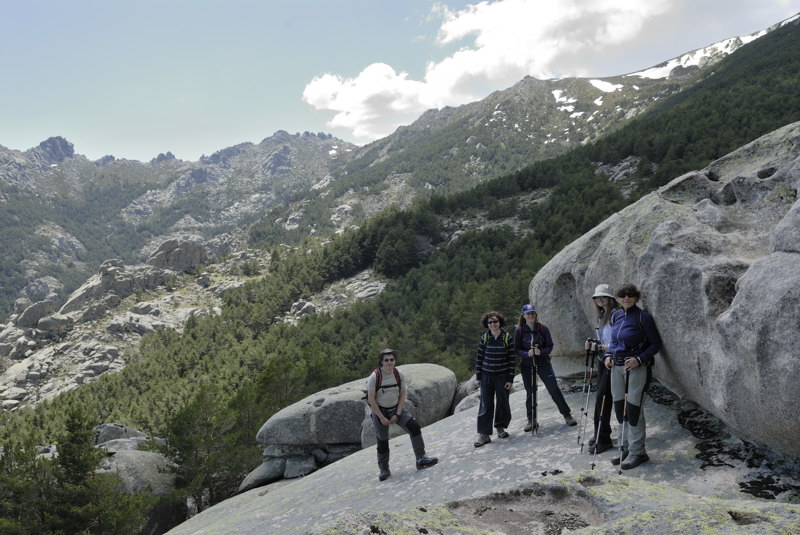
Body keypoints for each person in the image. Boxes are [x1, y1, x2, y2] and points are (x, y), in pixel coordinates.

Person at [603, 283, 662, 470]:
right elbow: (613, 342)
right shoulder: (616, 315)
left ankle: (638, 452)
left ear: (636, 297)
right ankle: (624, 448)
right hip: (617, 367)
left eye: (630, 295)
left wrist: (639, 359)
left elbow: (655, 344)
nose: (626, 298)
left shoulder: (643, 318)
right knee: (620, 408)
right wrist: (608, 356)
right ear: (618, 298)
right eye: (622, 295)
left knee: (634, 409)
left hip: (636, 367)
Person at [366, 348, 438, 481]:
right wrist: (382, 418)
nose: (389, 362)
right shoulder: (375, 376)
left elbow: (402, 395)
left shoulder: (398, 375)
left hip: (396, 408)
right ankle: (384, 469)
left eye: (391, 360)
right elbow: (371, 399)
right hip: (379, 411)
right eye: (386, 360)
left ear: (395, 361)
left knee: (414, 427)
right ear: (381, 362)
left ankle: (421, 459)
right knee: (382, 441)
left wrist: (398, 415)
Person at [514, 304, 577, 431]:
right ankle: (531, 420)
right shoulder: (519, 330)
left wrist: (541, 352)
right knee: (530, 392)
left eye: (533, 313)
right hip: (527, 365)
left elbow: (550, 346)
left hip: (543, 362)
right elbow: (516, 349)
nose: (531, 316)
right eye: (528, 314)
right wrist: (527, 354)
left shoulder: (542, 328)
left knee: (553, 388)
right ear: (524, 316)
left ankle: (567, 414)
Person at [473, 311, 515, 447]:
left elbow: (512, 360)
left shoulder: (506, 337)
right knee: (486, 404)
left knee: (502, 402)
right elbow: (479, 358)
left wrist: (510, 379)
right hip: (487, 376)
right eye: (490, 322)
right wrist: (478, 377)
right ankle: (484, 434)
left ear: (500, 322)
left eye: (495, 321)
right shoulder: (485, 338)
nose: (493, 324)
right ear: (487, 324)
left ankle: (500, 427)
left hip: (502, 376)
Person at [586, 284, 619, 454]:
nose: (600, 300)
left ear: (610, 298)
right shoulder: (601, 316)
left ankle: (603, 438)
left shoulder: (615, 315)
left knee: (603, 398)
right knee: (601, 398)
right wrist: (594, 345)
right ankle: (599, 432)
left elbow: (619, 339)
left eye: (604, 297)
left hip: (612, 359)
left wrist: (604, 347)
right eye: (598, 298)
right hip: (603, 358)